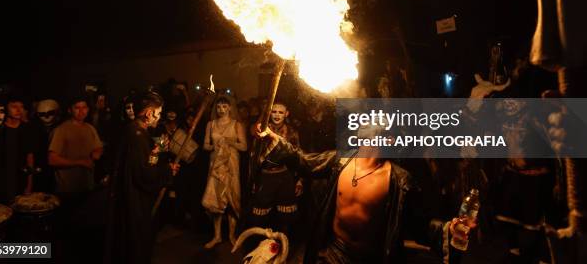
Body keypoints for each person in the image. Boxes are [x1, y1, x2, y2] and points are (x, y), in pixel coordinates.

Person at [255, 123, 474, 264]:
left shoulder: (400, 181)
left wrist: (449, 229)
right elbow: (304, 162)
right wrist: (274, 138)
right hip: (333, 252)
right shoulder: (340, 161)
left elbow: (418, 224)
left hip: (372, 257)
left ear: (387, 140)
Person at [105, 91, 178, 264]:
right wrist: (167, 170)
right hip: (133, 201)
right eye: (158, 113)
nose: (159, 117)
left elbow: (146, 162)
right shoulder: (135, 136)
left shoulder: (139, 132)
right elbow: (143, 174)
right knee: (134, 245)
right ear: (148, 113)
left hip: (133, 200)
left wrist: (156, 151)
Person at [248, 100, 302, 236]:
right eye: (274, 111)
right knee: (260, 218)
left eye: (281, 112)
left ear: (286, 114)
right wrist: (254, 180)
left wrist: (300, 180)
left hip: (285, 177)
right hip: (265, 177)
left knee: (285, 219)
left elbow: (298, 156)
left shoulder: (292, 132)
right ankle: (263, 249)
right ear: (269, 113)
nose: (277, 115)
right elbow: (254, 157)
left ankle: (282, 247)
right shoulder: (262, 130)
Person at [202, 95, 248, 248]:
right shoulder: (211, 124)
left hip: (231, 167)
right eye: (218, 106)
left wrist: (229, 141)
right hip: (216, 166)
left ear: (230, 108)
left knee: (231, 200)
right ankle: (217, 236)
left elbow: (244, 147)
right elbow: (205, 146)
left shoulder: (237, 125)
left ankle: (232, 235)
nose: (221, 109)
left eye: (224, 106)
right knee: (216, 200)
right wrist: (213, 147)